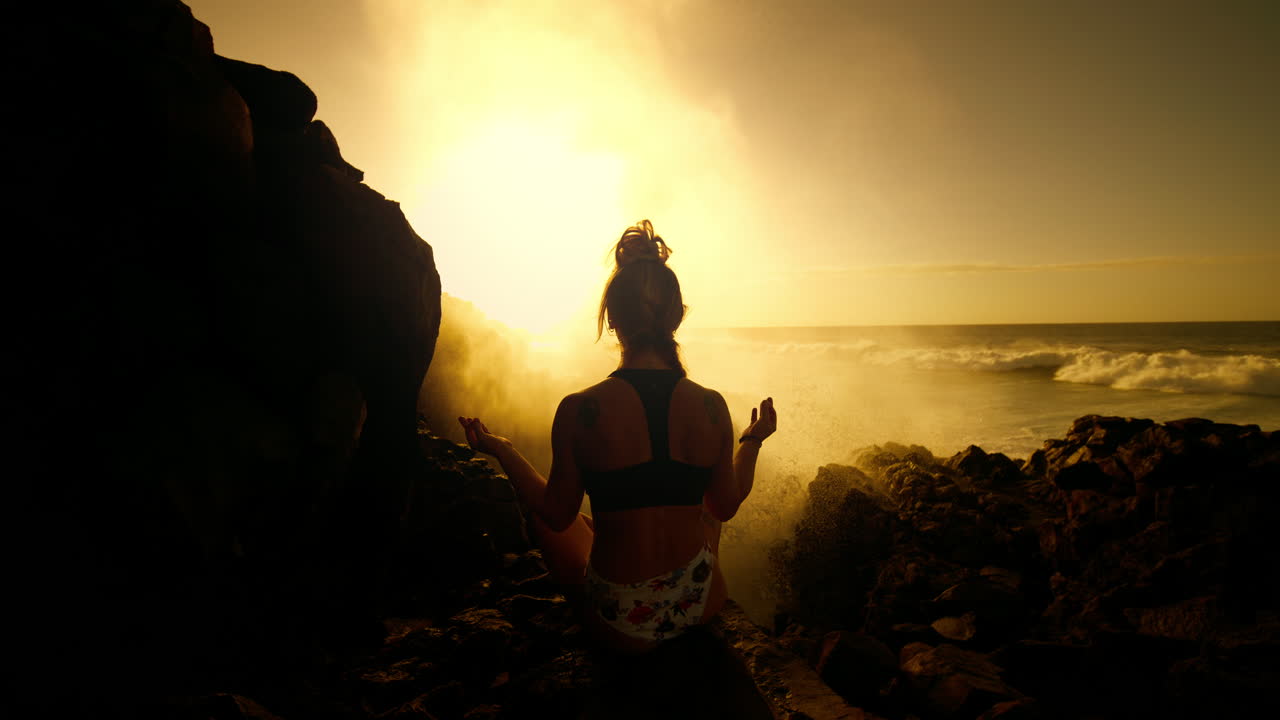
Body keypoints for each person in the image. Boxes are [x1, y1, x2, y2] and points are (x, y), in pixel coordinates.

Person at [458, 220, 776, 653]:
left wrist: (504, 450)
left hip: (622, 624)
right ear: (677, 315)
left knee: (549, 521)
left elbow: (556, 513)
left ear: (611, 318)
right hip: (700, 601)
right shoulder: (712, 407)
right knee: (705, 509)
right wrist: (751, 441)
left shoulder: (578, 409)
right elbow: (726, 504)